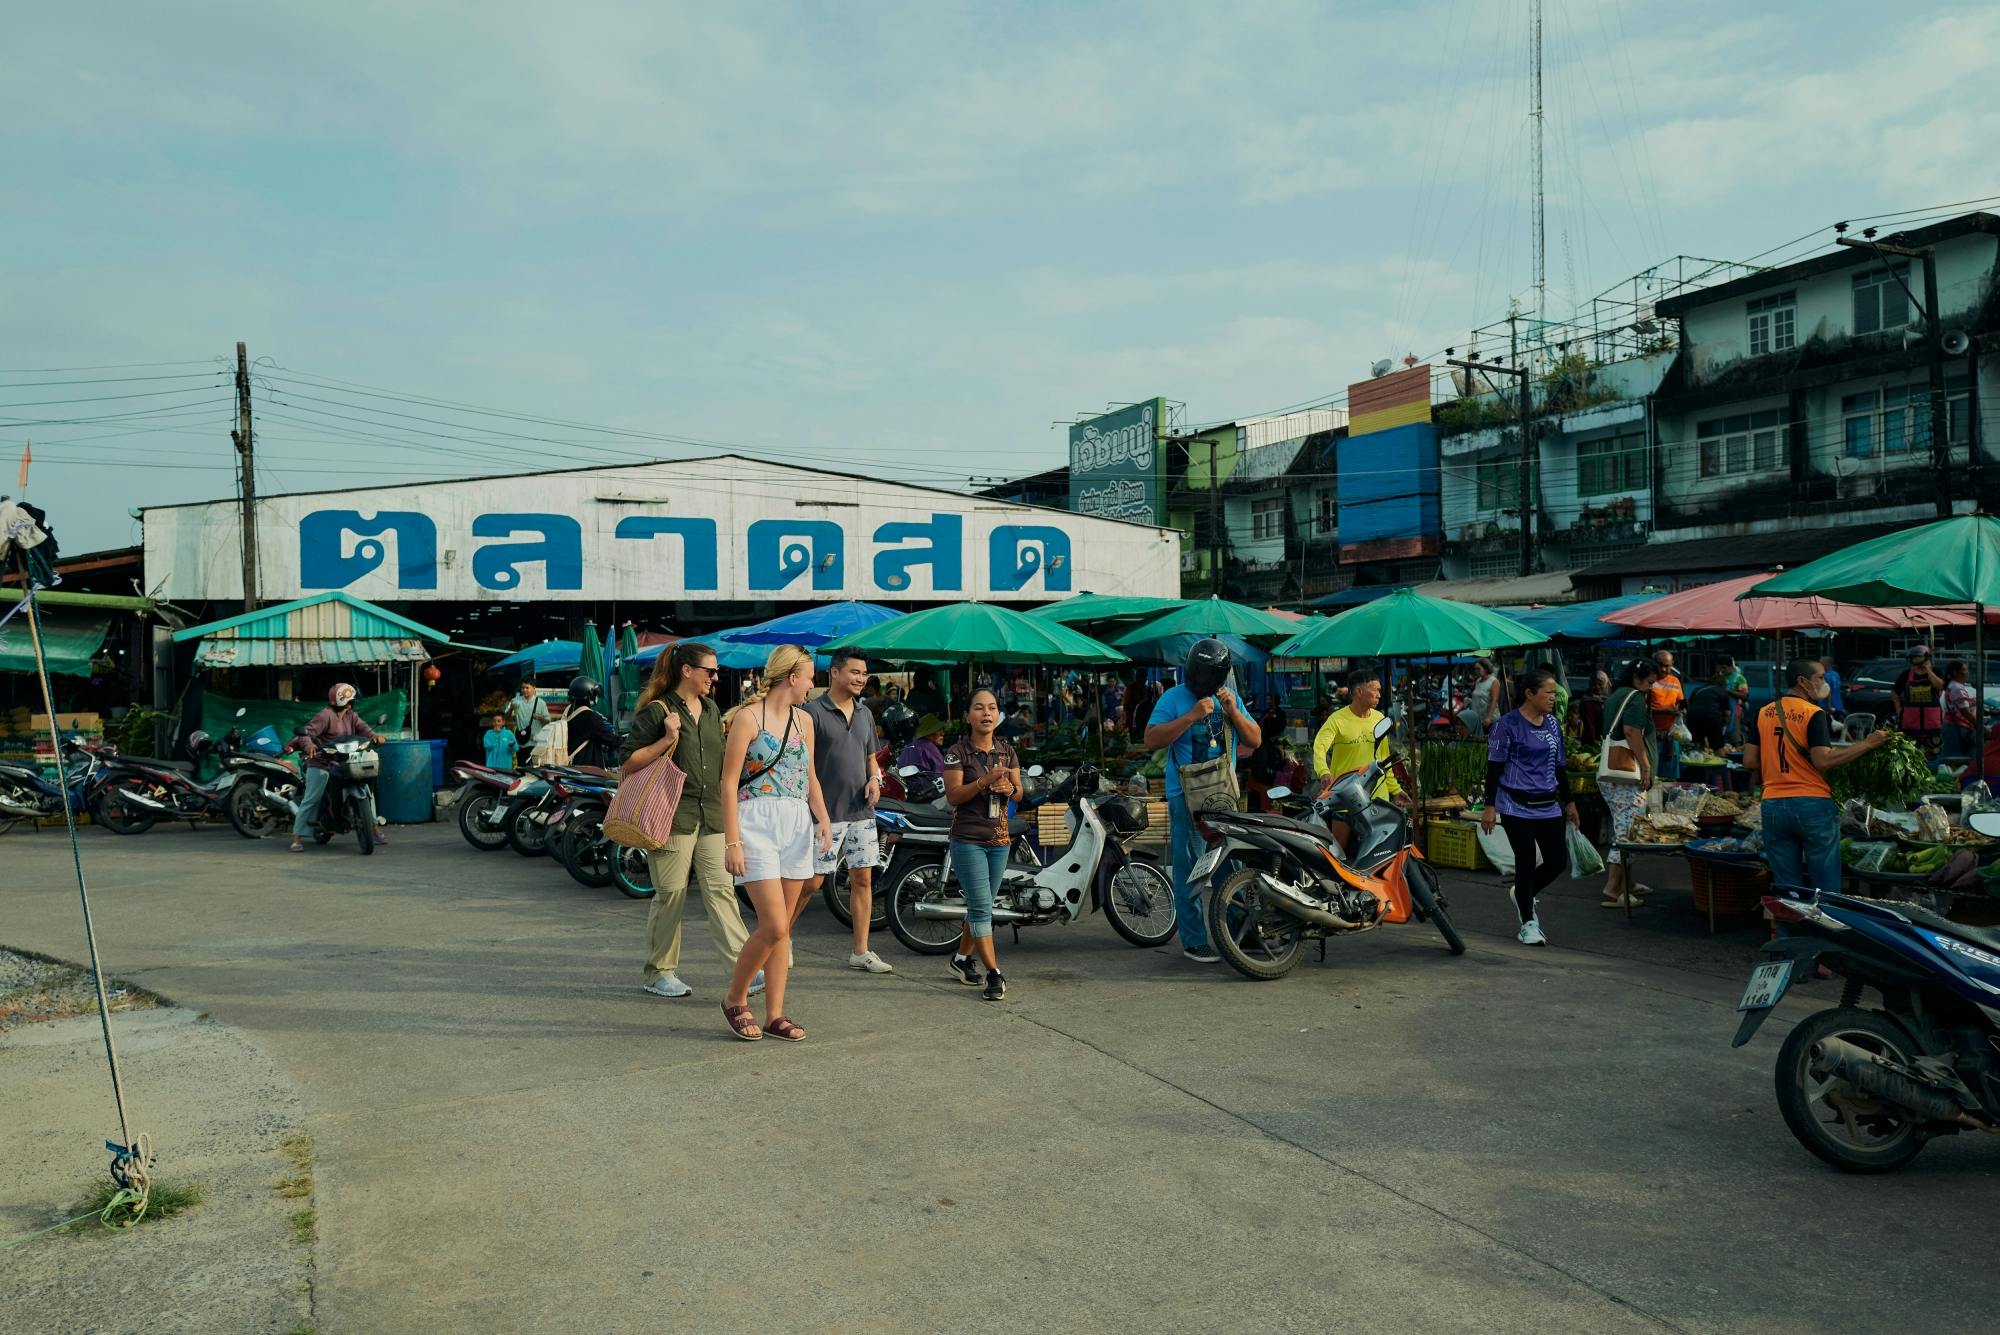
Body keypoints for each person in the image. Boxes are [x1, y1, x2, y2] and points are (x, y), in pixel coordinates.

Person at [625, 641, 756, 1001]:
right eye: (709, 671)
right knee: (671, 895)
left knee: (722, 891)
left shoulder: (712, 710)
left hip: (711, 814)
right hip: (671, 815)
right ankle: (659, 972)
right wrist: (667, 738)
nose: (715, 678)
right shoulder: (658, 710)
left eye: (715, 672)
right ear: (687, 671)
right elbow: (629, 761)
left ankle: (744, 965)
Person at [718, 645, 833, 1042]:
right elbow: (729, 782)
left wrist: (822, 817)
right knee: (774, 924)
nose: (812, 684)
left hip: (796, 822)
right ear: (791, 677)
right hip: (755, 822)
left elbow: (810, 776)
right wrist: (732, 840)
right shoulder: (748, 719)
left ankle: (775, 1015)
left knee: (784, 931)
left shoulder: (805, 721)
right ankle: (735, 998)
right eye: (809, 676)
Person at [1143, 639, 1262, 964]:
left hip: (1223, 798)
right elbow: (1151, 739)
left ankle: (1240, 931)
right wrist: (1191, 716)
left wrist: (1233, 711)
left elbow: (1255, 739)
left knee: (1232, 864)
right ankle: (1194, 941)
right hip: (1186, 799)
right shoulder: (1173, 698)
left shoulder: (1230, 698)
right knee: (1190, 870)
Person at [1745, 660, 1889, 894]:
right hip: (1812, 805)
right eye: (1820, 677)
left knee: (1787, 888)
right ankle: (1823, 928)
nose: (1825, 682)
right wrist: (1868, 744)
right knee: (1825, 886)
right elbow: (1824, 760)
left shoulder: (1763, 712)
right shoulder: (1813, 713)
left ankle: (1789, 931)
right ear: (1803, 681)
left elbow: (1749, 761)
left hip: (1772, 806)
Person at [803, 648, 893, 975]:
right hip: (824, 813)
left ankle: (861, 951)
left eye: (864, 673)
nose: (860, 678)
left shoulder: (865, 713)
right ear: (836, 672)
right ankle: (777, 937)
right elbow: (805, 764)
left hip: (861, 813)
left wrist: (875, 780)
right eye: (854, 672)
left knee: (863, 879)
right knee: (812, 883)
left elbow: (871, 758)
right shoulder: (811, 712)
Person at [1480, 668, 1578, 947]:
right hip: (1515, 805)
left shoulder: (1552, 725)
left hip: (1549, 804)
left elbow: (1560, 767)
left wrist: (1569, 802)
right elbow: (1494, 767)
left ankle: (1523, 892)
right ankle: (1528, 923)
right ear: (1529, 694)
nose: (1553, 697)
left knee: (1557, 861)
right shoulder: (1506, 725)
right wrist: (1490, 806)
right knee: (1525, 863)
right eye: (1548, 692)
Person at [940, 688, 1023, 1001]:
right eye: (978, 708)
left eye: (992, 708)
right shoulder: (956, 752)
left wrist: (1008, 787)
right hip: (968, 840)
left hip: (1000, 840)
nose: (986, 714)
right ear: (967, 715)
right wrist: (984, 783)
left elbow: (1019, 794)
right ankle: (994, 972)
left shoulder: (1007, 751)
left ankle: (960, 960)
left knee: (981, 906)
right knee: (981, 908)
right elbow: (953, 796)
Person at [289, 683, 387, 852]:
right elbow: (305, 733)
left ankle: (374, 829)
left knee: (367, 791)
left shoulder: (351, 716)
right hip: (321, 762)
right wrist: (309, 747)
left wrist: (375, 736)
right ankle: (296, 838)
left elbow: (365, 729)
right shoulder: (325, 715)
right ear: (349, 701)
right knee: (312, 797)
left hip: (344, 761)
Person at [1598, 659, 1660, 911]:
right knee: (1626, 832)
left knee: (1623, 826)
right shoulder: (1635, 698)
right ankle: (1613, 889)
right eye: (1650, 680)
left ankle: (1628, 882)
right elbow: (1632, 731)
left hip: (1612, 777)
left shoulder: (1617, 695)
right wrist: (1645, 765)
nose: (1652, 685)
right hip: (1626, 776)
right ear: (1637, 677)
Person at [1311, 667, 1404, 803]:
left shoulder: (1379, 718)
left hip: (1378, 798)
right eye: (1375, 690)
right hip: (1346, 797)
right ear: (1359, 691)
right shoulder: (1337, 720)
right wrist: (1324, 771)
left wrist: (1395, 790)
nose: (1379, 695)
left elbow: (1383, 758)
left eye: (1379, 690)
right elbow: (1319, 747)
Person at [558, 676, 619, 768]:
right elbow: (611, 739)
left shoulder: (568, 711)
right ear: (589, 695)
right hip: (587, 770)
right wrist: (627, 741)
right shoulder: (591, 717)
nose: (595, 697)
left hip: (570, 766)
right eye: (594, 694)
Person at [1894, 647, 1945, 748]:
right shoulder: (1906, 674)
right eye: (1913, 657)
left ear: (1927, 657)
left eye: (1918, 656)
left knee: (1933, 750)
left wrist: (1929, 671)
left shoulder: (1936, 672)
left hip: (1931, 720)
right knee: (1909, 750)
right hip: (1911, 720)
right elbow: (1895, 692)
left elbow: (1939, 686)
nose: (1916, 659)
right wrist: (1898, 709)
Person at [1649, 649, 1685, 780]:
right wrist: (1665, 711)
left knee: (1669, 777)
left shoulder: (1675, 681)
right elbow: (1642, 708)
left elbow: (1681, 701)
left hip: (1671, 735)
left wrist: (1682, 709)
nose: (1664, 669)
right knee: (1651, 775)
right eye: (1660, 665)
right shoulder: (1648, 681)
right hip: (1651, 735)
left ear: (1672, 664)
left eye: (1667, 666)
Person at [1685, 671, 1733, 751]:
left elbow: (1689, 705)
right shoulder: (1722, 691)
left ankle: (1698, 759)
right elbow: (1727, 714)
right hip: (1711, 717)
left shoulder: (1698, 689)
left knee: (1697, 745)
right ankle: (1720, 761)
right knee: (1718, 748)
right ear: (1723, 684)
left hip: (1693, 717)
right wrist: (1723, 725)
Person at [1942, 661, 1979, 759]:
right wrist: (1981, 727)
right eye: (1964, 670)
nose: (1967, 672)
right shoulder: (1956, 688)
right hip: (1958, 727)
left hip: (1959, 727)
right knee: (1954, 759)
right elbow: (1965, 712)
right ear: (1955, 672)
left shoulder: (1955, 686)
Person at [505, 680, 550, 749]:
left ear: (534, 688)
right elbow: (505, 717)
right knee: (521, 759)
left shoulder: (541, 703)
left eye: (527, 688)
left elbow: (547, 722)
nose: (524, 690)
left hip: (535, 743)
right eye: (522, 688)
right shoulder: (515, 701)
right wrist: (511, 708)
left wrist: (541, 718)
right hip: (520, 742)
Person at [1459, 659, 1497, 737]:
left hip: (1489, 719)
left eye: (1478, 669)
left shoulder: (1494, 681)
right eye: (1475, 669)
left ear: (1486, 669)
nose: (1476, 671)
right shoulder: (1478, 681)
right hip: (1478, 718)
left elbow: (1494, 700)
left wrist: (1489, 717)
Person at [1720, 656, 1751, 744]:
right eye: (1720, 667)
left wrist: (1728, 691)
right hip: (1721, 712)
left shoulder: (1739, 679)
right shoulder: (1720, 678)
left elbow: (1744, 696)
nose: (1721, 670)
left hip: (1734, 712)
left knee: (1733, 738)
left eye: (1724, 668)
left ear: (1730, 667)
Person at [1579, 669, 1611, 749]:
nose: (1597, 687)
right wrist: (1594, 745)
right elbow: (1589, 726)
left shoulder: (1612, 699)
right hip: (1593, 745)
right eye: (1594, 684)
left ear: (1607, 684)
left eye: (1600, 684)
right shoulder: (1587, 702)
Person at [1819, 655, 1846, 720]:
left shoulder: (1825, 676)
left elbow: (1828, 691)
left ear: (1825, 664)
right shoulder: (1836, 674)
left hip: (1827, 707)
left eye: (1820, 663)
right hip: (1837, 705)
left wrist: (1829, 705)